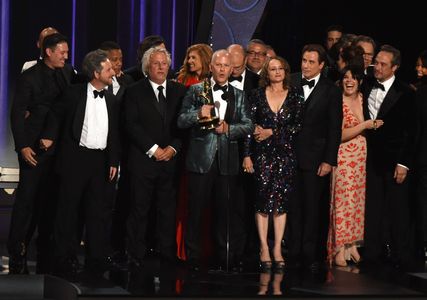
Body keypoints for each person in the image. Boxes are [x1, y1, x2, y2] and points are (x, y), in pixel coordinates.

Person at [177, 49, 253, 271]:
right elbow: (181, 120)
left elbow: (248, 125)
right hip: (201, 160)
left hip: (227, 162)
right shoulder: (195, 90)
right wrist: (198, 114)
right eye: (218, 65)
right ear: (211, 67)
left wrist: (229, 129)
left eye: (226, 66)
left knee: (225, 213)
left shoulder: (239, 95)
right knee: (196, 211)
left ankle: (224, 258)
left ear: (232, 69)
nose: (222, 69)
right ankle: (193, 258)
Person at [49, 49, 120, 276]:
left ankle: (96, 258)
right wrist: (47, 137)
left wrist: (113, 161)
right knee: (68, 211)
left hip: (100, 162)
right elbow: (56, 117)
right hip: (76, 159)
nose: (113, 72)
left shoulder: (111, 98)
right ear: (96, 73)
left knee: (98, 212)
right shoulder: (73, 93)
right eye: (108, 69)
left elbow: (114, 133)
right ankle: (64, 257)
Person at [9, 33, 74, 274]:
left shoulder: (68, 73)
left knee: (51, 199)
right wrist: (23, 146)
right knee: (27, 199)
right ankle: (17, 249)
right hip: (34, 147)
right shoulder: (30, 77)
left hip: (60, 147)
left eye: (67, 52)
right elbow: (17, 113)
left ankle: (45, 246)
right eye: (62, 52)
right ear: (49, 52)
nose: (66, 56)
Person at [124, 47, 187, 267]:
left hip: (171, 160)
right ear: (147, 67)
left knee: (167, 209)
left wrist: (173, 148)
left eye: (164, 63)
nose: (161, 68)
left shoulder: (180, 91)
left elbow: (184, 125)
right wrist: (153, 149)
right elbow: (131, 125)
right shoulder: (133, 91)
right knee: (139, 208)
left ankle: (166, 253)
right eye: (156, 64)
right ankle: (136, 253)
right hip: (143, 160)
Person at [242, 57, 304, 273]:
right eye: (272, 69)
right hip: (262, 156)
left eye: (280, 69)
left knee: (281, 203)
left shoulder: (296, 95)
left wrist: (272, 132)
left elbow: (298, 126)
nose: (277, 72)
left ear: (285, 72)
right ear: (266, 73)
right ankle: (263, 248)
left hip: (286, 156)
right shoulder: (256, 95)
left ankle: (277, 248)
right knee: (262, 202)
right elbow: (250, 126)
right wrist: (247, 155)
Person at [362, 44, 417, 269]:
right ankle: (373, 254)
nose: (378, 67)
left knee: (397, 209)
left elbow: (411, 131)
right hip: (370, 158)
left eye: (384, 64)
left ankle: (400, 255)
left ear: (394, 67)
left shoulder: (405, 93)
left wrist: (403, 163)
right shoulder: (365, 86)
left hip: (395, 160)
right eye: (377, 62)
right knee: (373, 208)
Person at [288, 44, 342, 271]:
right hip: (288, 156)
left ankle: (310, 254)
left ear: (321, 65)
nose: (306, 65)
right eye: (304, 60)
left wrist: (329, 160)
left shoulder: (331, 90)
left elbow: (334, 129)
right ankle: (292, 251)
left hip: (316, 159)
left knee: (312, 208)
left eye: (311, 62)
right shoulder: (290, 81)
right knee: (291, 207)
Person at [327, 65, 383, 267]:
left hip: (361, 160)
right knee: (342, 203)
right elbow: (338, 135)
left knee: (357, 204)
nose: (349, 81)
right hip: (343, 158)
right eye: (346, 77)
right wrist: (364, 126)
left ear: (360, 81)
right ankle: (338, 248)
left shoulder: (362, 98)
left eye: (353, 78)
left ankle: (352, 245)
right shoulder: (337, 101)